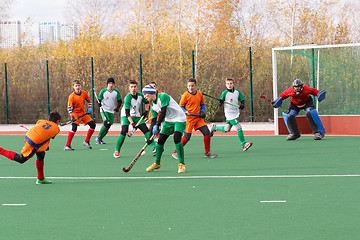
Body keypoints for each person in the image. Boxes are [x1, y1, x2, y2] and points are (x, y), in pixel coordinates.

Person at [0, 111, 62, 184]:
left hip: (29, 135)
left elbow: (40, 128)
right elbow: (51, 137)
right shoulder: (56, 129)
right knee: (21, 159)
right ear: (58, 121)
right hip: (33, 142)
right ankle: (1, 150)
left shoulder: (42, 121)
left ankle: (41, 179)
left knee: (41, 154)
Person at [142, 84, 187, 173]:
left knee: (177, 138)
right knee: (160, 141)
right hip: (169, 120)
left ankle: (181, 164)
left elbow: (163, 112)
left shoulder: (163, 96)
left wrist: (158, 125)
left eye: (146, 94)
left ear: (151, 93)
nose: (144, 97)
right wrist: (150, 136)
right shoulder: (153, 106)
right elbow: (153, 121)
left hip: (179, 119)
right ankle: (157, 163)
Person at [172, 78, 217, 159]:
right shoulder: (185, 95)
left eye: (192, 86)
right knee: (187, 137)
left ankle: (207, 152)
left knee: (207, 133)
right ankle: (176, 152)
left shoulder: (199, 94)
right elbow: (181, 106)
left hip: (198, 118)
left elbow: (202, 104)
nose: (190, 87)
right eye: (189, 86)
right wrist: (185, 111)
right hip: (189, 119)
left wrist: (202, 111)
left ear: (196, 86)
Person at [113, 80, 155, 158]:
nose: (133, 88)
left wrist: (146, 111)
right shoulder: (127, 98)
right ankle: (117, 150)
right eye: (131, 87)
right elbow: (127, 114)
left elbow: (146, 102)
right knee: (124, 131)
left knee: (145, 130)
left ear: (137, 87)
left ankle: (154, 149)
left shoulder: (140, 95)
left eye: (135, 87)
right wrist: (132, 124)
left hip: (137, 116)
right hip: (126, 116)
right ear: (129, 88)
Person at [209, 78, 253, 151]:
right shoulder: (225, 93)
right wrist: (220, 103)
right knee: (238, 127)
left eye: (231, 83)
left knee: (227, 129)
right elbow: (221, 102)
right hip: (229, 114)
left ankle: (214, 127)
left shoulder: (237, 92)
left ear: (233, 84)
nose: (229, 85)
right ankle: (244, 144)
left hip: (235, 113)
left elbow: (242, 99)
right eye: (228, 84)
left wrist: (242, 105)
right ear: (226, 85)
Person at [64, 80, 96, 150]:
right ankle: (67, 145)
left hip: (83, 113)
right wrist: (72, 116)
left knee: (93, 125)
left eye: (79, 85)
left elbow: (89, 101)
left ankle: (86, 141)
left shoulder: (84, 93)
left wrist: (89, 107)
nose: (77, 87)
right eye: (76, 86)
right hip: (75, 114)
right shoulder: (71, 96)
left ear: (80, 86)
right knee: (74, 128)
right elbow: (69, 108)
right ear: (73, 87)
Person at [95, 78, 122, 144]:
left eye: (112, 83)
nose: (111, 85)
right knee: (106, 122)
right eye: (109, 83)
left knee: (109, 125)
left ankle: (100, 138)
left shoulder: (116, 92)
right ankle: (98, 137)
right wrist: (99, 103)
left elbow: (120, 101)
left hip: (111, 111)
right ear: (107, 84)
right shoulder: (103, 91)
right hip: (104, 110)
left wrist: (117, 108)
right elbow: (98, 100)